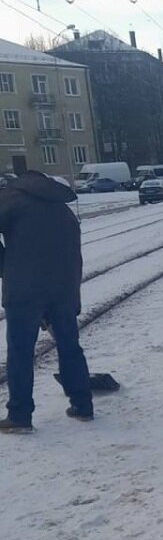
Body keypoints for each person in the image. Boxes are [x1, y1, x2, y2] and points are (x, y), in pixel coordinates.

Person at [0, 170, 93, 434]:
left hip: (24, 291)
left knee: (20, 351)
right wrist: (71, 295)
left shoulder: (12, 198)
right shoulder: (63, 210)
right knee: (69, 346)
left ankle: (19, 415)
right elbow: (75, 255)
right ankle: (83, 404)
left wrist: (5, 267)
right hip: (62, 288)